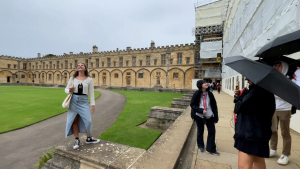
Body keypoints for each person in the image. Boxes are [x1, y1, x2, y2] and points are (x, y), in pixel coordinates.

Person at [234, 79, 275, 169]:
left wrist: (239, 96)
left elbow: (239, 106)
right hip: (259, 133)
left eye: (249, 79)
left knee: (244, 166)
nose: (248, 81)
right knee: (258, 160)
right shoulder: (265, 90)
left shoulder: (258, 91)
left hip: (250, 134)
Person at [269, 61, 300, 165]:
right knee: (273, 130)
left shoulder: (290, 79)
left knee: (285, 132)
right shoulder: (274, 79)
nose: (277, 67)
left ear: (284, 67)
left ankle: (285, 154)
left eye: (279, 66)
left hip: (285, 109)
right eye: (276, 65)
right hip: (274, 108)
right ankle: (273, 149)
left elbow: (292, 92)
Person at [65, 62, 100, 150]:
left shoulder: (89, 79)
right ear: (77, 68)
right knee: (74, 120)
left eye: (82, 65)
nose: (80, 66)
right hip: (74, 100)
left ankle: (89, 138)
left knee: (87, 121)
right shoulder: (72, 78)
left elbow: (91, 93)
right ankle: (77, 139)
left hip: (84, 101)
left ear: (85, 68)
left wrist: (93, 104)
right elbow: (66, 90)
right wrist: (69, 89)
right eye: (78, 65)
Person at [190, 80, 220, 156]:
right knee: (200, 131)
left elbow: (214, 106)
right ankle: (200, 146)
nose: (206, 83)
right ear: (200, 85)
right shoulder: (196, 94)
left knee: (212, 131)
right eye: (204, 83)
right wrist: (200, 110)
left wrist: (216, 117)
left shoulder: (210, 94)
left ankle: (210, 149)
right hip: (199, 115)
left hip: (209, 115)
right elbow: (192, 105)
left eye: (206, 82)